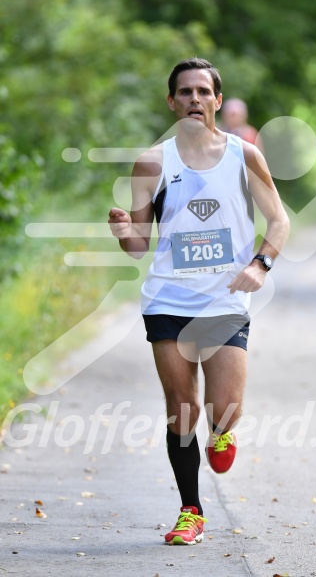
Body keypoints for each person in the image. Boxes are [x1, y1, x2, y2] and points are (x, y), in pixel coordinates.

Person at [108, 58, 289, 545]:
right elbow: (139, 245)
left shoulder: (243, 156)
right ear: (172, 102)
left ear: (216, 100)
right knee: (180, 409)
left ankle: (222, 433)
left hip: (226, 301)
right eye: (184, 92)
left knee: (224, 410)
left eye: (202, 92)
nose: (193, 99)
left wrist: (259, 265)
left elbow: (279, 222)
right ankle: (191, 510)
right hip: (168, 299)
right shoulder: (152, 162)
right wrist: (125, 231)